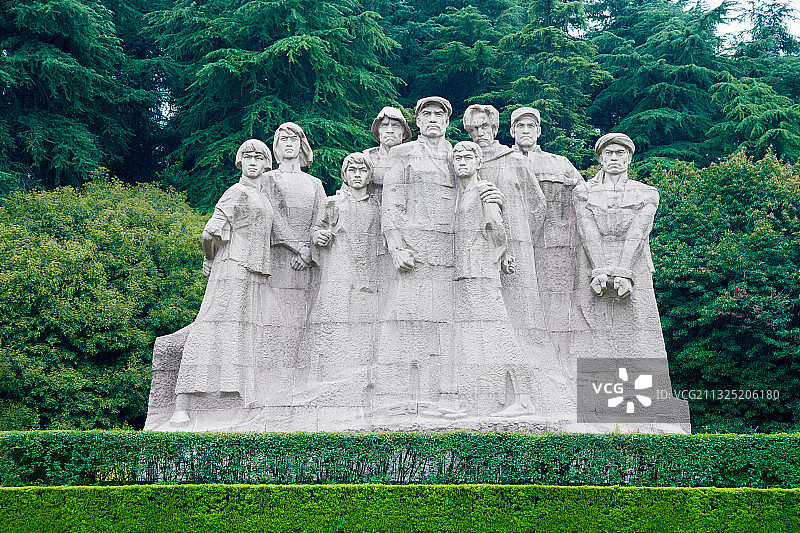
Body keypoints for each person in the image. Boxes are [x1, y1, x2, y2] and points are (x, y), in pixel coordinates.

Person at [374, 96, 502, 419]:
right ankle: (397, 393)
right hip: (414, 253)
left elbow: (475, 190)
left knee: (446, 328)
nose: (433, 119)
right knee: (406, 321)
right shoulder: (403, 154)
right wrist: (396, 246)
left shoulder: (457, 154)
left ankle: (446, 395)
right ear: (417, 122)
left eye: (439, 115)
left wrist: (494, 197)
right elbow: (391, 204)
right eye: (426, 114)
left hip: (452, 255)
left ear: (447, 121)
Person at [170, 139, 278, 425]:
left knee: (242, 332)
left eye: (259, 157)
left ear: (267, 163)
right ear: (240, 162)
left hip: (254, 270)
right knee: (211, 325)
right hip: (233, 265)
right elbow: (210, 232)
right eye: (248, 157)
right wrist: (209, 259)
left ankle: (236, 395)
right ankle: (183, 401)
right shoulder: (237, 192)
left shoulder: (263, 197)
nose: (253, 162)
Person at [450, 141, 537, 417]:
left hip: (481, 271)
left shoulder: (485, 191)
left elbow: (497, 228)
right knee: (478, 336)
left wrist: (499, 256)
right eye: (457, 158)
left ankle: (524, 398)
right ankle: (481, 398)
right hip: (467, 272)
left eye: (467, 157)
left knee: (500, 333)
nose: (462, 161)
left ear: (478, 162)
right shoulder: (461, 194)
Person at [296, 153, 382, 427]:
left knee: (363, 321)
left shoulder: (378, 205)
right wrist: (318, 237)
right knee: (330, 319)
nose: (357, 174)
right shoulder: (332, 203)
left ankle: (357, 376)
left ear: (370, 176)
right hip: (337, 268)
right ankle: (321, 374)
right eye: (352, 170)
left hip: (367, 271)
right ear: (344, 175)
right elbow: (317, 231)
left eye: (362, 170)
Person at [261, 122, 326, 403]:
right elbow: (271, 215)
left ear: (302, 145)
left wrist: (309, 251)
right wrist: (296, 246)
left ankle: (299, 378)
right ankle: (273, 379)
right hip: (279, 257)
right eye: (283, 139)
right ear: (276, 147)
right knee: (277, 319)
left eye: (294, 139)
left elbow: (321, 219)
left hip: (308, 263)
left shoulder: (315, 183)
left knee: (305, 319)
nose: (289, 143)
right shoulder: (267, 179)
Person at [365, 107, 412, 198]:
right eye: (384, 125)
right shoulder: (367, 158)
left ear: (404, 133)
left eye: (395, 125)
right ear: (378, 132)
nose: (389, 130)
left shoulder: (413, 158)